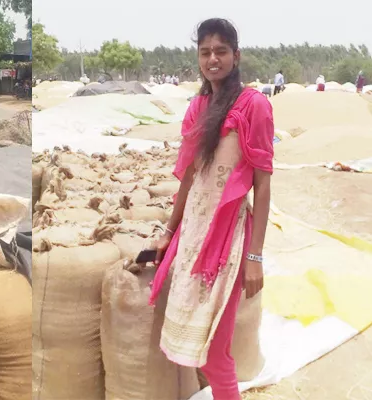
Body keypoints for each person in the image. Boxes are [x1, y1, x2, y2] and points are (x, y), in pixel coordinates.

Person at [144, 18, 273, 400]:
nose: (212, 59)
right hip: (195, 235)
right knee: (199, 347)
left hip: (229, 237)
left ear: (236, 55)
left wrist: (255, 256)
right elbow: (188, 177)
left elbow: (263, 185)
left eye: (220, 51)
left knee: (216, 353)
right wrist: (169, 232)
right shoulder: (198, 106)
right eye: (205, 52)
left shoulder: (254, 106)